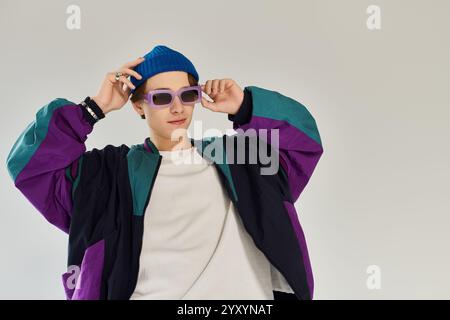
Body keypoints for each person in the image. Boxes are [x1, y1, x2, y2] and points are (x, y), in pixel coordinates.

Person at [6, 45, 324, 300]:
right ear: (138, 105)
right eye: (161, 98)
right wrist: (94, 108)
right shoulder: (109, 175)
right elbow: (31, 166)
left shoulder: (241, 160)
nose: (177, 108)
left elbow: (304, 144)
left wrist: (245, 106)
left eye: (187, 95)